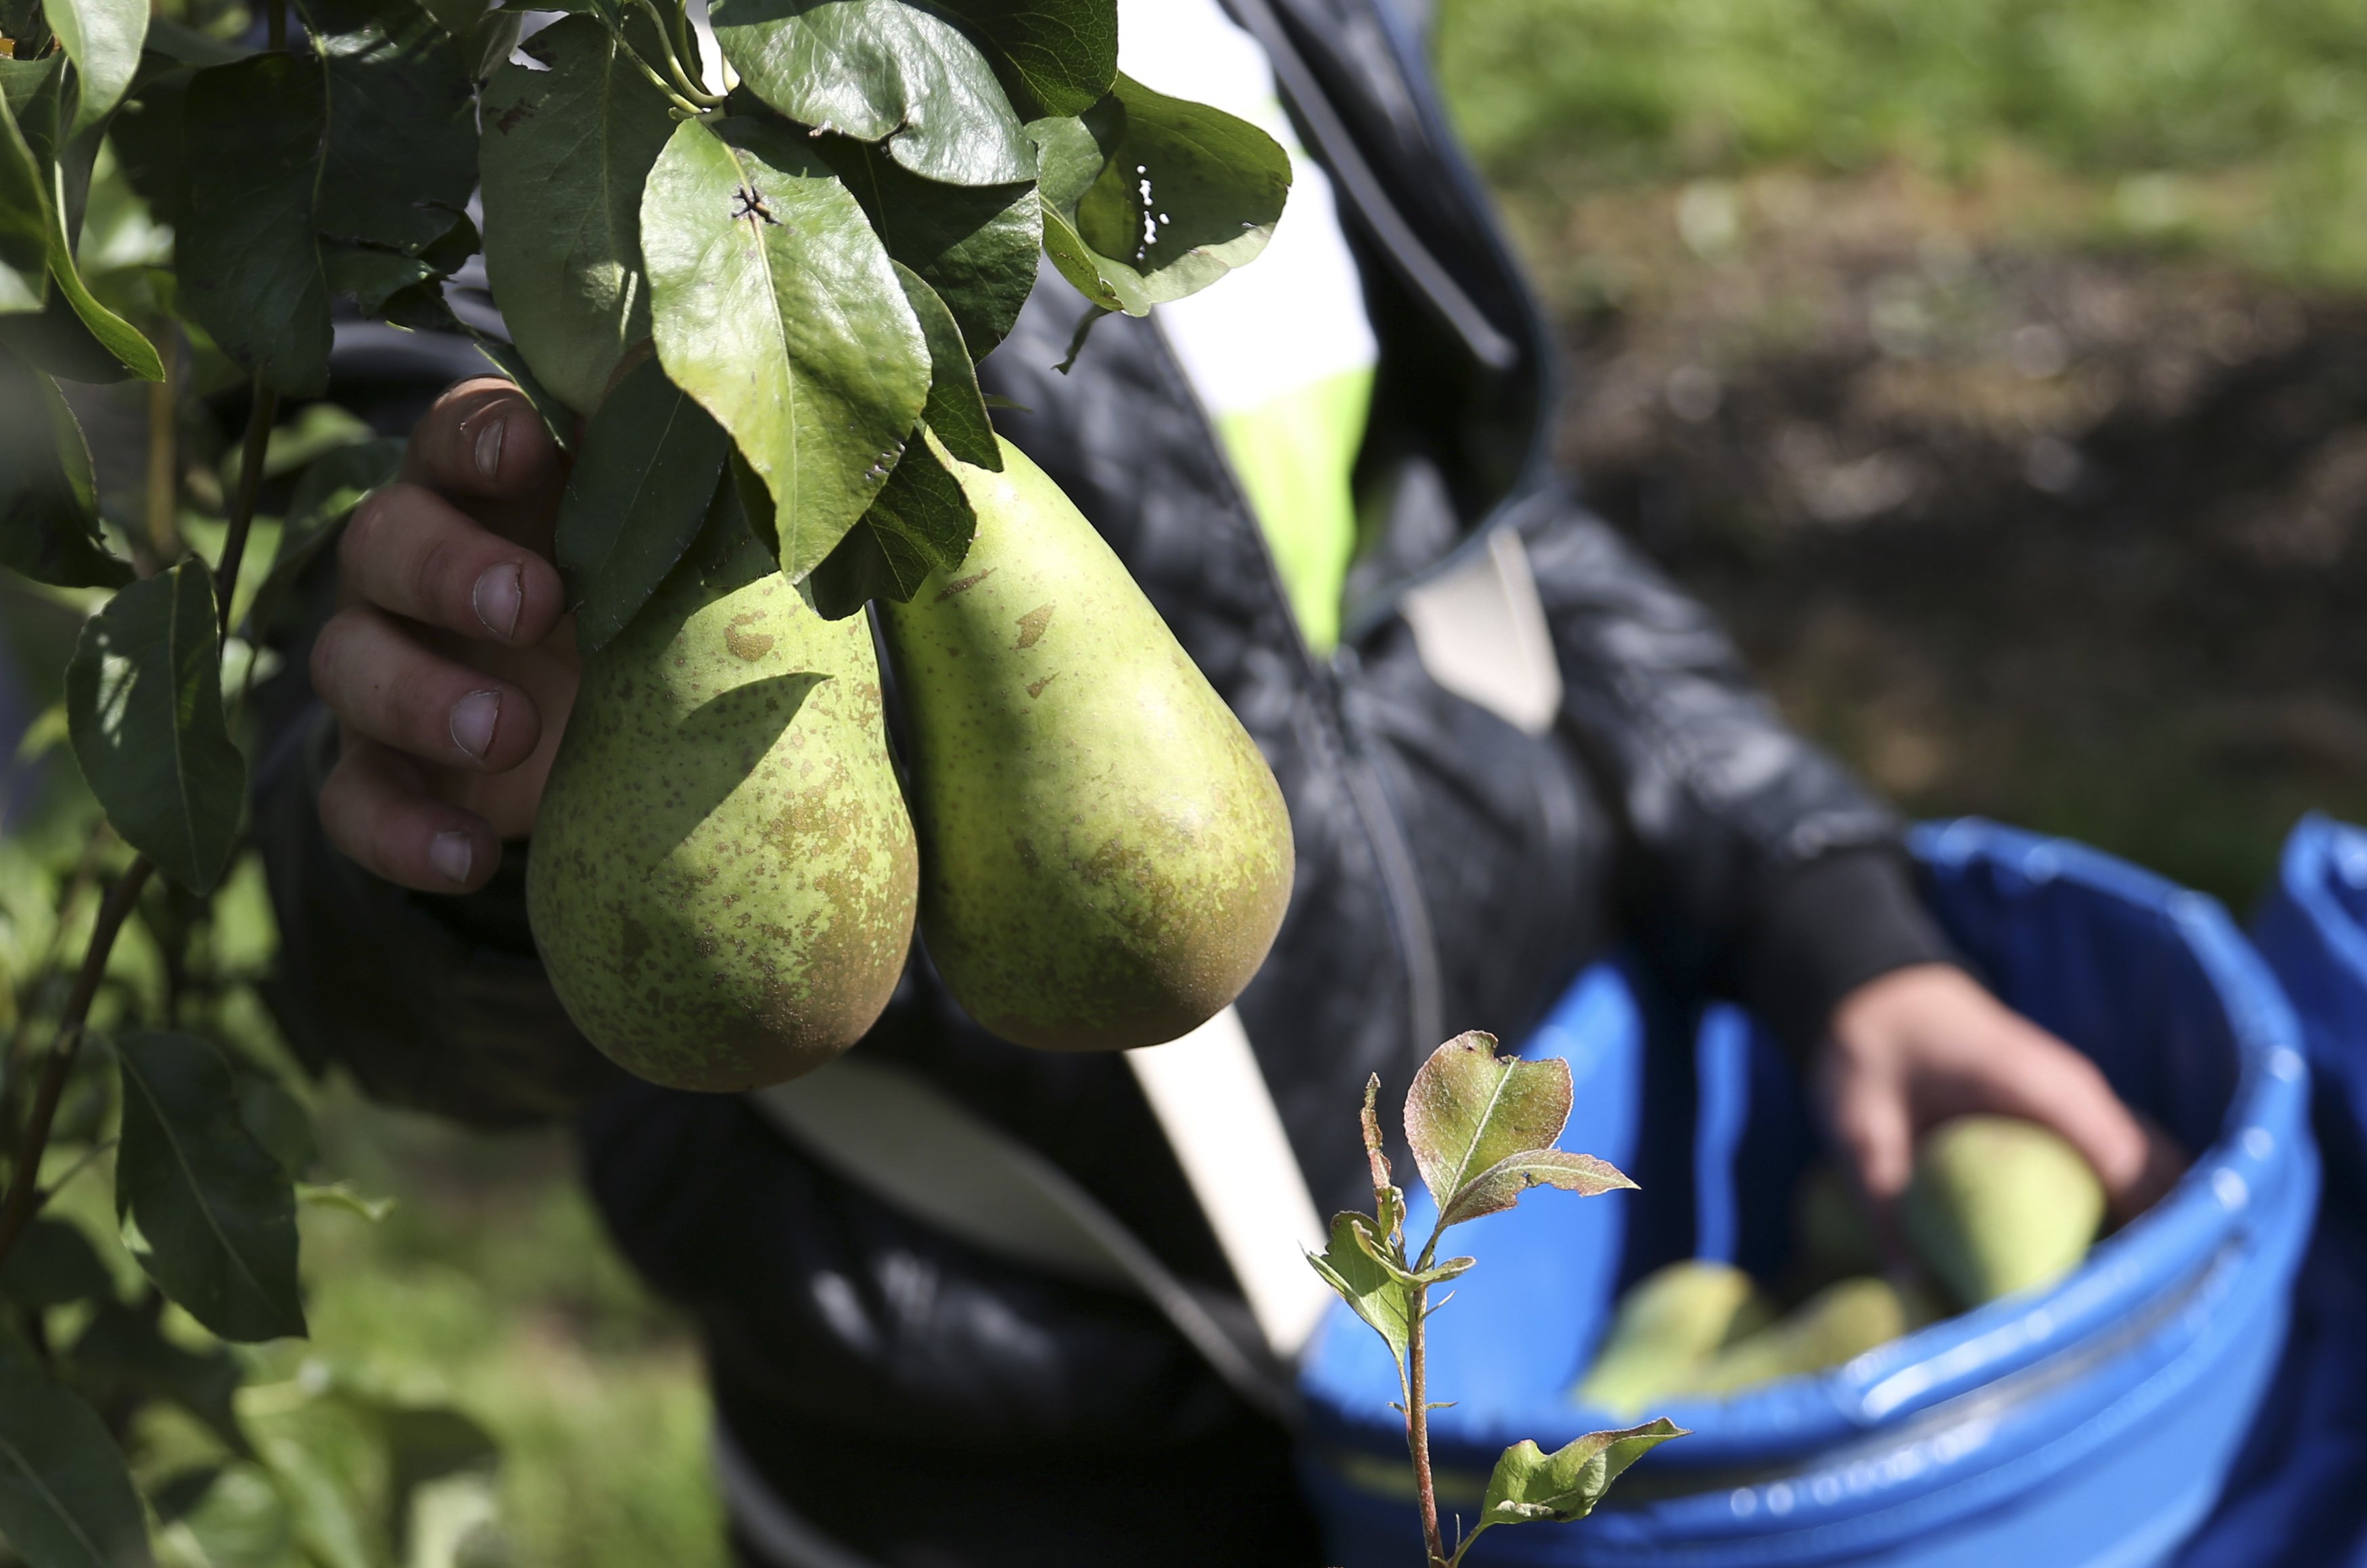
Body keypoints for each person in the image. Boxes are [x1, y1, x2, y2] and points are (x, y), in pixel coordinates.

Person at [252, 0, 2176, 1563]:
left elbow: (1467, 534)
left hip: (1518, 1309)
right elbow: (390, 956)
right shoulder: (509, 82)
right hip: (996, 1465)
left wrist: (1831, 917)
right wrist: (469, 847)